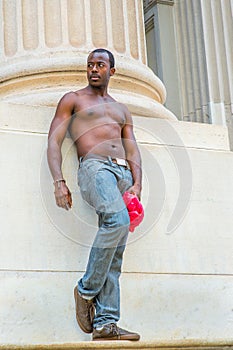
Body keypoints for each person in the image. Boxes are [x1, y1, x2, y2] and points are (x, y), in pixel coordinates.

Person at [47, 48, 142, 341]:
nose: (93, 69)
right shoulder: (73, 99)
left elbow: (132, 148)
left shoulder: (121, 109)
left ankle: (106, 323)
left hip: (122, 175)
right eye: (90, 65)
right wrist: (59, 180)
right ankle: (85, 290)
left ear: (112, 71)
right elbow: (54, 140)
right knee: (117, 222)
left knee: (115, 252)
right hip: (94, 169)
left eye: (100, 65)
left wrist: (137, 185)